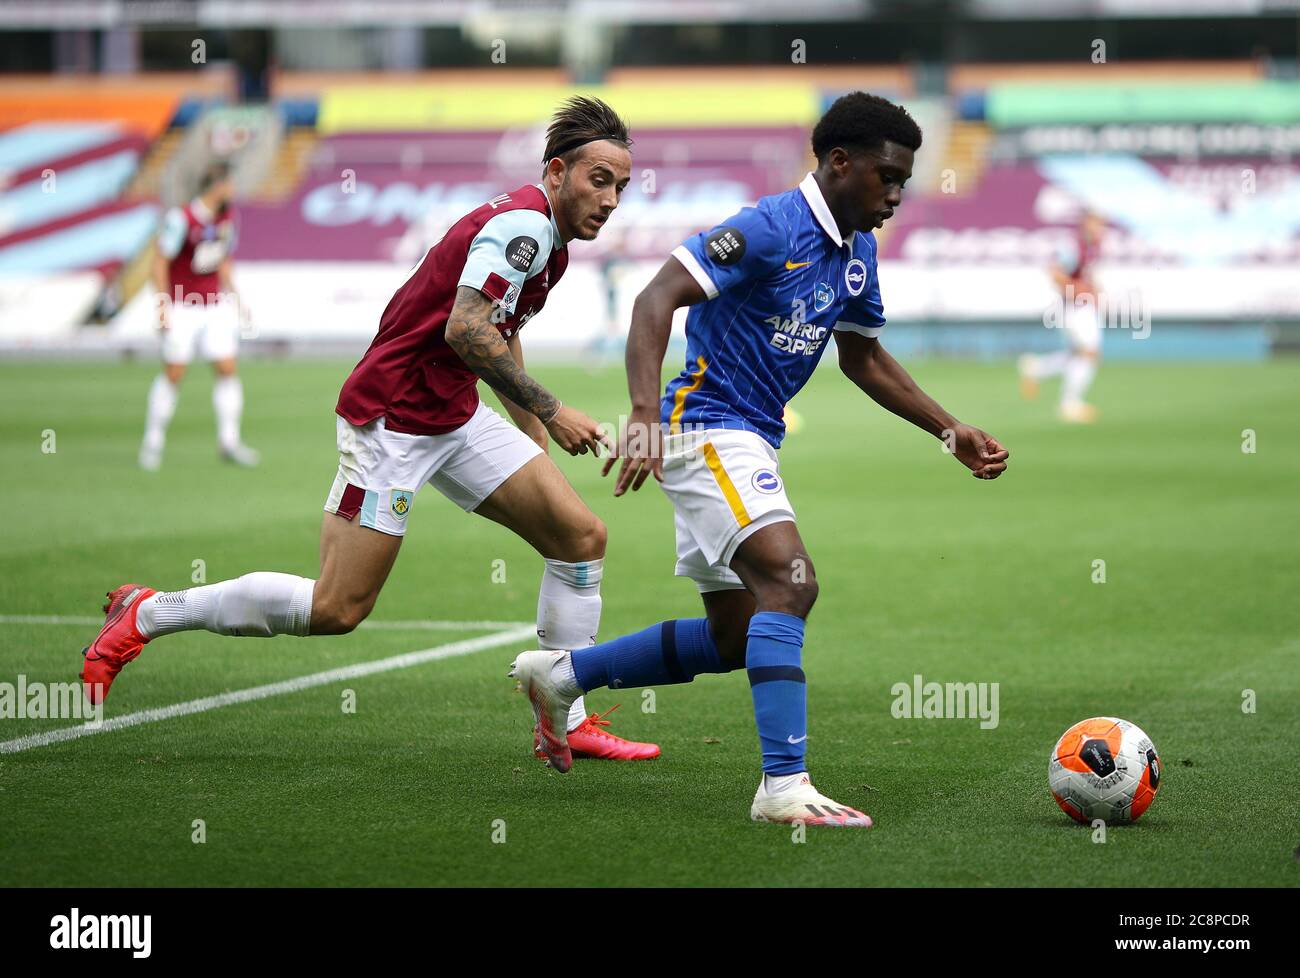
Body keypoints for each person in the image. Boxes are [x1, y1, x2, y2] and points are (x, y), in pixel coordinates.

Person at [83, 98, 659, 762]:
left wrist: (528, 439)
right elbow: (466, 328)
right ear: (556, 173)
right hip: (392, 419)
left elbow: (500, 332)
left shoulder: (549, 242)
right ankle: (149, 612)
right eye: (599, 179)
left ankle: (565, 715)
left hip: (454, 410)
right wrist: (554, 413)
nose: (612, 198)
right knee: (337, 608)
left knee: (580, 538)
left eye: (621, 184)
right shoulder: (523, 230)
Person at [511, 92, 1010, 826]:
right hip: (706, 428)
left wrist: (948, 428)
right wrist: (644, 417)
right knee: (791, 582)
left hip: (747, 437)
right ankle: (783, 787)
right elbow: (657, 298)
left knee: (738, 634)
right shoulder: (769, 227)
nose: (898, 194)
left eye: (905, 180)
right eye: (887, 177)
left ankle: (563, 677)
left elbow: (864, 358)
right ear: (840, 163)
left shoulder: (857, 252)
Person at [140, 161, 259, 470]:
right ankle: (153, 442)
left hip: (214, 306)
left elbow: (221, 261)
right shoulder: (181, 218)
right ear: (217, 186)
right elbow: (159, 262)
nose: (234, 190)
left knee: (227, 368)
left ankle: (229, 442)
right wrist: (162, 306)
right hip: (183, 306)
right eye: (230, 184)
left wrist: (237, 299)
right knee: (175, 372)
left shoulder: (227, 217)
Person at [1018, 210, 1106, 423]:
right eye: (1096, 224)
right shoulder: (1073, 247)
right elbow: (1055, 273)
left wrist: (1094, 290)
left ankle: (1036, 368)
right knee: (1089, 353)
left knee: (1080, 354)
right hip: (1073, 309)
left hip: (1084, 308)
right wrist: (1077, 289)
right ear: (1086, 224)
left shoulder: (1092, 248)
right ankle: (1069, 403)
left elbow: (1086, 276)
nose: (1100, 230)